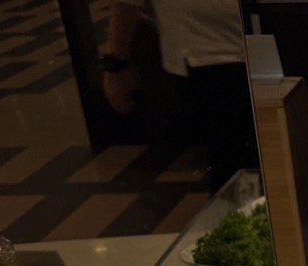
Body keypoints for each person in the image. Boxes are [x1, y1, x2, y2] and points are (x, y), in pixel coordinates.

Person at [101, 0, 259, 190]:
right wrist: (116, 63)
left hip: (229, 44)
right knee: (238, 168)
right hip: (209, 51)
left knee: (245, 168)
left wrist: (116, 64)